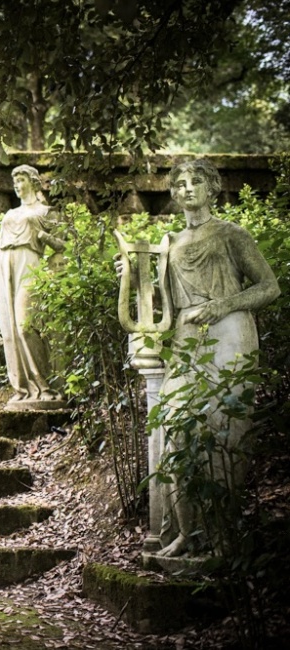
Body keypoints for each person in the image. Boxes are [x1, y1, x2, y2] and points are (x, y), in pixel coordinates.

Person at [150, 159, 280, 558]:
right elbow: (162, 306)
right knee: (175, 426)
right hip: (188, 339)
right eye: (180, 183)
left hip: (229, 336)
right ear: (173, 193)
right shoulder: (170, 242)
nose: (188, 188)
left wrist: (223, 305)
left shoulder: (231, 234)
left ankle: (222, 536)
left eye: (197, 181)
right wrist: (134, 275)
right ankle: (188, 532)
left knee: (224, 432)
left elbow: (269, 287)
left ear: (213, 187)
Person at [0, 164, 65, 406]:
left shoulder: (45, 211)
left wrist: (43, 236)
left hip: (30, 262)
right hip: (3, 265)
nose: (17, 186)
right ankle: (22, 390)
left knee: (25, 326)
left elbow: (62, 246)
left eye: (21, 180)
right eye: (15, 182)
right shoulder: (11, 214)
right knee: (9, 332)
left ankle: (45, 386)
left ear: (33, 182)